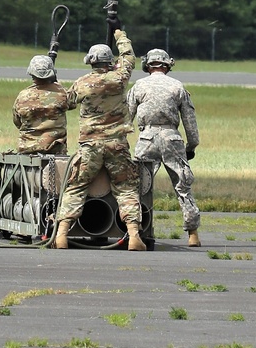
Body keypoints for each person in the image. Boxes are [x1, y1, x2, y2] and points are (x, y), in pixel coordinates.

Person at [53, 28, 145, 251]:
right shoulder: (119, 78)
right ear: (109, 61)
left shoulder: (82, 83)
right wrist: (120, 36)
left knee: (75, 187)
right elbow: (129, 58)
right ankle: (134, 236)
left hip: (89, 147)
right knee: (126, 188)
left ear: (90, 62)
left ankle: (62, 234)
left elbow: (66, 103)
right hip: (117, 145)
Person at [128, 48, 202, 248]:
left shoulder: (139, 86)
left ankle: (136, 232)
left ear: (147, 65)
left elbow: (126, 117)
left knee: (139, 187)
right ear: (167, 65)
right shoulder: (177, 86)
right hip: (172, 139)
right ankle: (193, 233)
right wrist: (191, 146)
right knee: (183, 185)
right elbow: (190, 121)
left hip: (146, 138)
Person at [11, 54, 70, 156]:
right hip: (55, 150)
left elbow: (17, 122)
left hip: (27, 149)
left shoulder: (22, 96)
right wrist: (55, 83)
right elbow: (72, 103)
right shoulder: (62, 93)